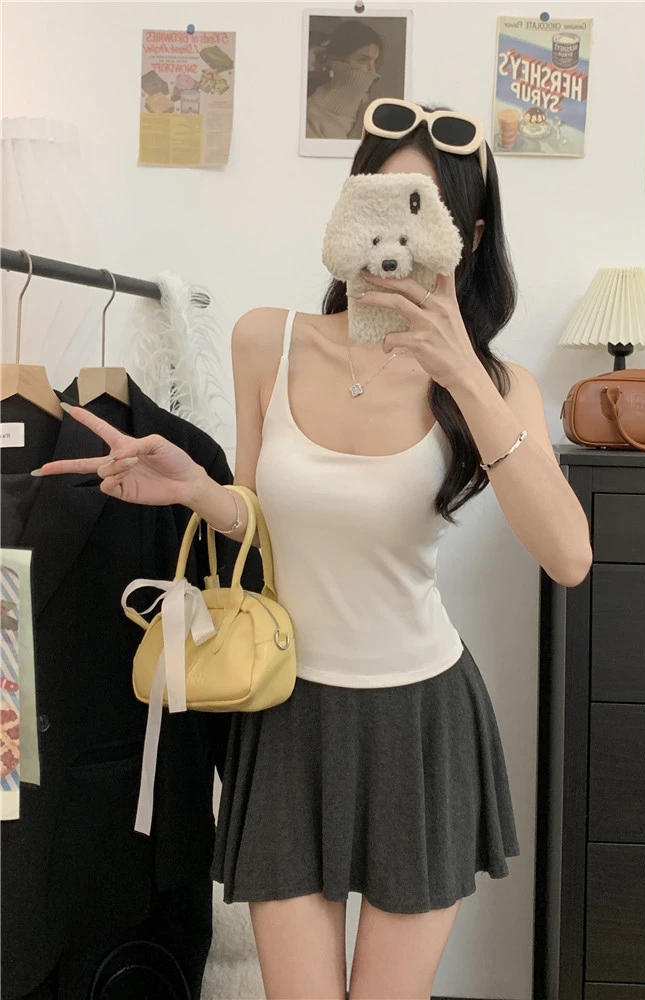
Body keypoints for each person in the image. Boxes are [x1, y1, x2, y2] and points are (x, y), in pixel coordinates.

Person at [32, 99, 593, 999]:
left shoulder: (496, 386)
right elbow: (261, 526)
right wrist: (201, 490)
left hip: (421, 720)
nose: (392, 240)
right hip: (290, 714)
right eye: (376, 202)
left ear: (470, 237)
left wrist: (459, 371)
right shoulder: (269, 340)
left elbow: (568, 556)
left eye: (421, 212)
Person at [307, 20, 384, 139]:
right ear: (337, 61)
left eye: (375, 62)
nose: (373, 72)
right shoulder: (309, 115)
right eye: (362, 60)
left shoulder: (369, 109)